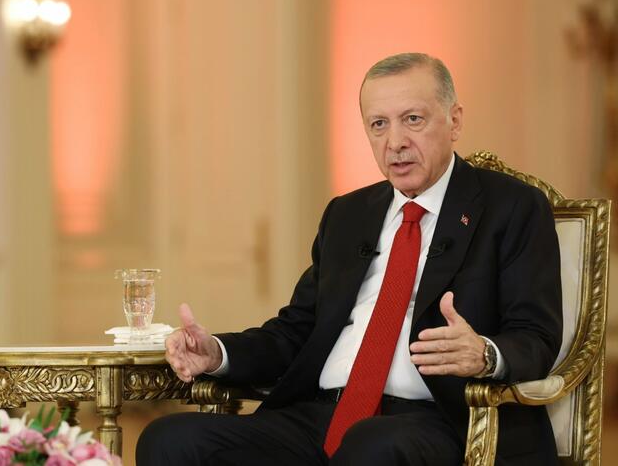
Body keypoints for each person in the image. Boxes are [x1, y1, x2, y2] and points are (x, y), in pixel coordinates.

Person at [136, 53, 562, 465]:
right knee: (170, 439)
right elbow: (296, 331)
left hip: (438, 419)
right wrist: (217, 352)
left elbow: (536, 337)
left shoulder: (512, 207)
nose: (395, 142)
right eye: (379, 124)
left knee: (373, 444)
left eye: (413, 119)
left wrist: (484, 354)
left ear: (454, 121)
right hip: (320, 415)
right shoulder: (347, 213)